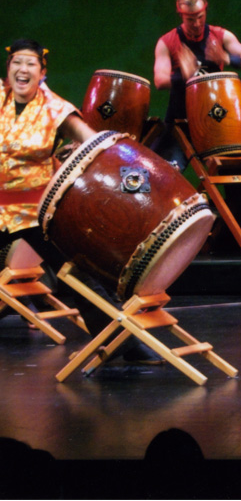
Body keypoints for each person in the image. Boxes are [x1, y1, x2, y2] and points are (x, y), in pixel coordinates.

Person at [0, 39, 162, 364]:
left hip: (36, 212)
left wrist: (130, 174)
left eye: (31, 64)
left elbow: (94, 145)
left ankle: (124, 343)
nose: (23, 69)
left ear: (42, 72)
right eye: (17, 62)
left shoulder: (54, 108)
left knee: (76, 275)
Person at [151, 0, 241, 241]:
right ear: (181, 14)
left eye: (200, 16)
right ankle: (162, 236)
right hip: (182, 121)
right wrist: (183, 73)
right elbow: (159, 80)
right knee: (160, 174)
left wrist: (225, 57)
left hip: (217, 121)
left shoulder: (220, 35)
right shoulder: (167, 41)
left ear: (205, 11)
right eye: (190, 18)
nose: (196, 23)